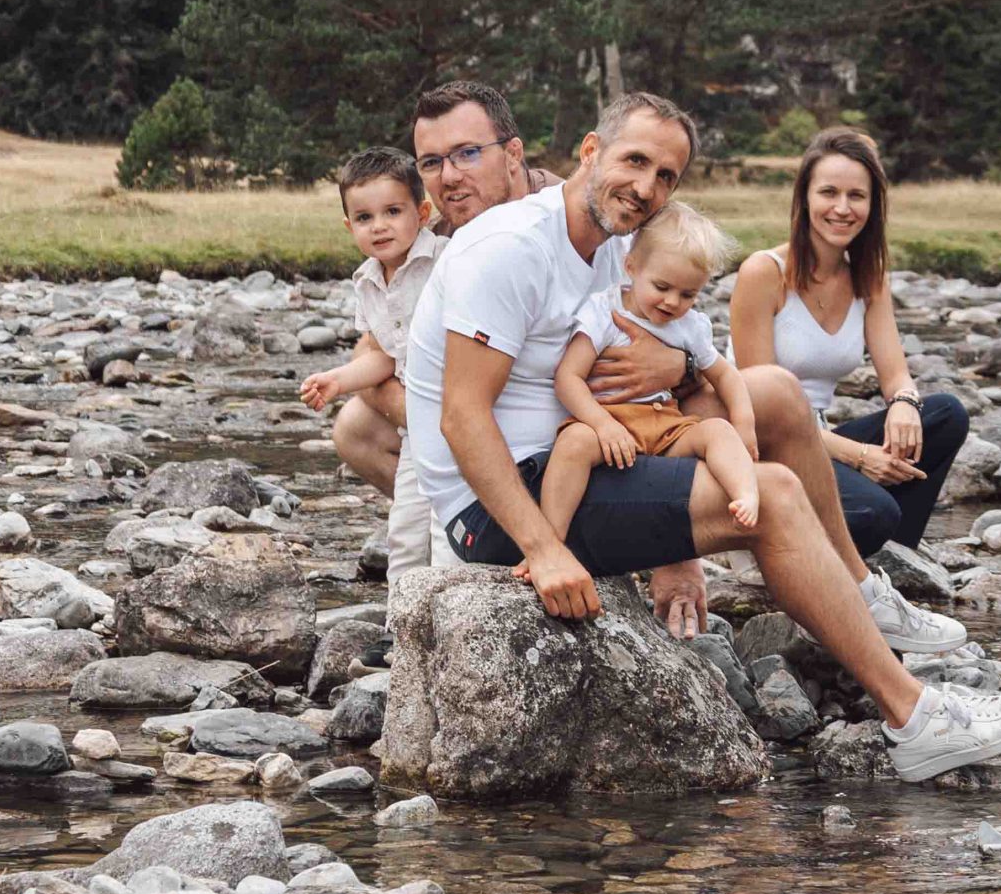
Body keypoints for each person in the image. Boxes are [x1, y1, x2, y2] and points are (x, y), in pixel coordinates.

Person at [406, 92, 1001, 780]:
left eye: (666, 176)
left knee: (776, 392)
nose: (646, 187)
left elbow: (682, 380)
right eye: (634, 161)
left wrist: (677, 552)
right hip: (503, 503)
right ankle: (915, 719)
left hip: (595, 449)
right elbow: (462, 417)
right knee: (775, 494)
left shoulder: (616, 247)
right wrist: (543, 548)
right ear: (591, 151)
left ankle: (858, 591)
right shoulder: (509, 249)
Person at [329, 81, 561, 567]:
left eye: (468, 154)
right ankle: (452, 538)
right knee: (354, 425)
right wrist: (431, 418)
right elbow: (377, 345)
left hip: (549, 420)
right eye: (432, 162)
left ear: (513, 154)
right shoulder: (433, 234)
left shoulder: (562, 218)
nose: (450, 176)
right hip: (459, 410)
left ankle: (520, 538)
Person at [728, 127, 970, 559]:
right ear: (805, 198)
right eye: (829, 193)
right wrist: (859, 456)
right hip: (765, 446)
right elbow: (759, 411)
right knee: (874, 511)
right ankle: (808, 549)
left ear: (872, 205)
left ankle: (893, 558)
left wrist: (904, 404)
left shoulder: (868, 276)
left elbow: (896, 375)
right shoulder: (763, 273)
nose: (842, 208)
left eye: (856, 196)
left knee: (946, 415)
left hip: (821, 439)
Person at [536, 203, 762, 547]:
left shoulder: (689, 326)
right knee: (573, 442)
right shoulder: (604, 312)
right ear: (632, 267)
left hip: (665, 428)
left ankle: (745, 494)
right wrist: (602, 424)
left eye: (688, 294)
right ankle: (551, 540)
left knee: (718, 430)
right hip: (610, 425)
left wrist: (744, 423)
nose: (672, 302)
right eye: (662, 286)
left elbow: (726, 376)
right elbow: (568, 378)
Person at [301, 148, 445, 575]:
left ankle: (456, 608)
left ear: (422, 213)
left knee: (447, 528)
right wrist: (338, 380)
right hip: (416, 430)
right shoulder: (366, 281)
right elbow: (384, 355)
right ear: (350, 226)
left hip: (462, 413)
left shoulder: (445, 260)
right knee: (405, 532)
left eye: (393, 211)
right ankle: (403, 614)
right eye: (364, 218)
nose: (379, 226)